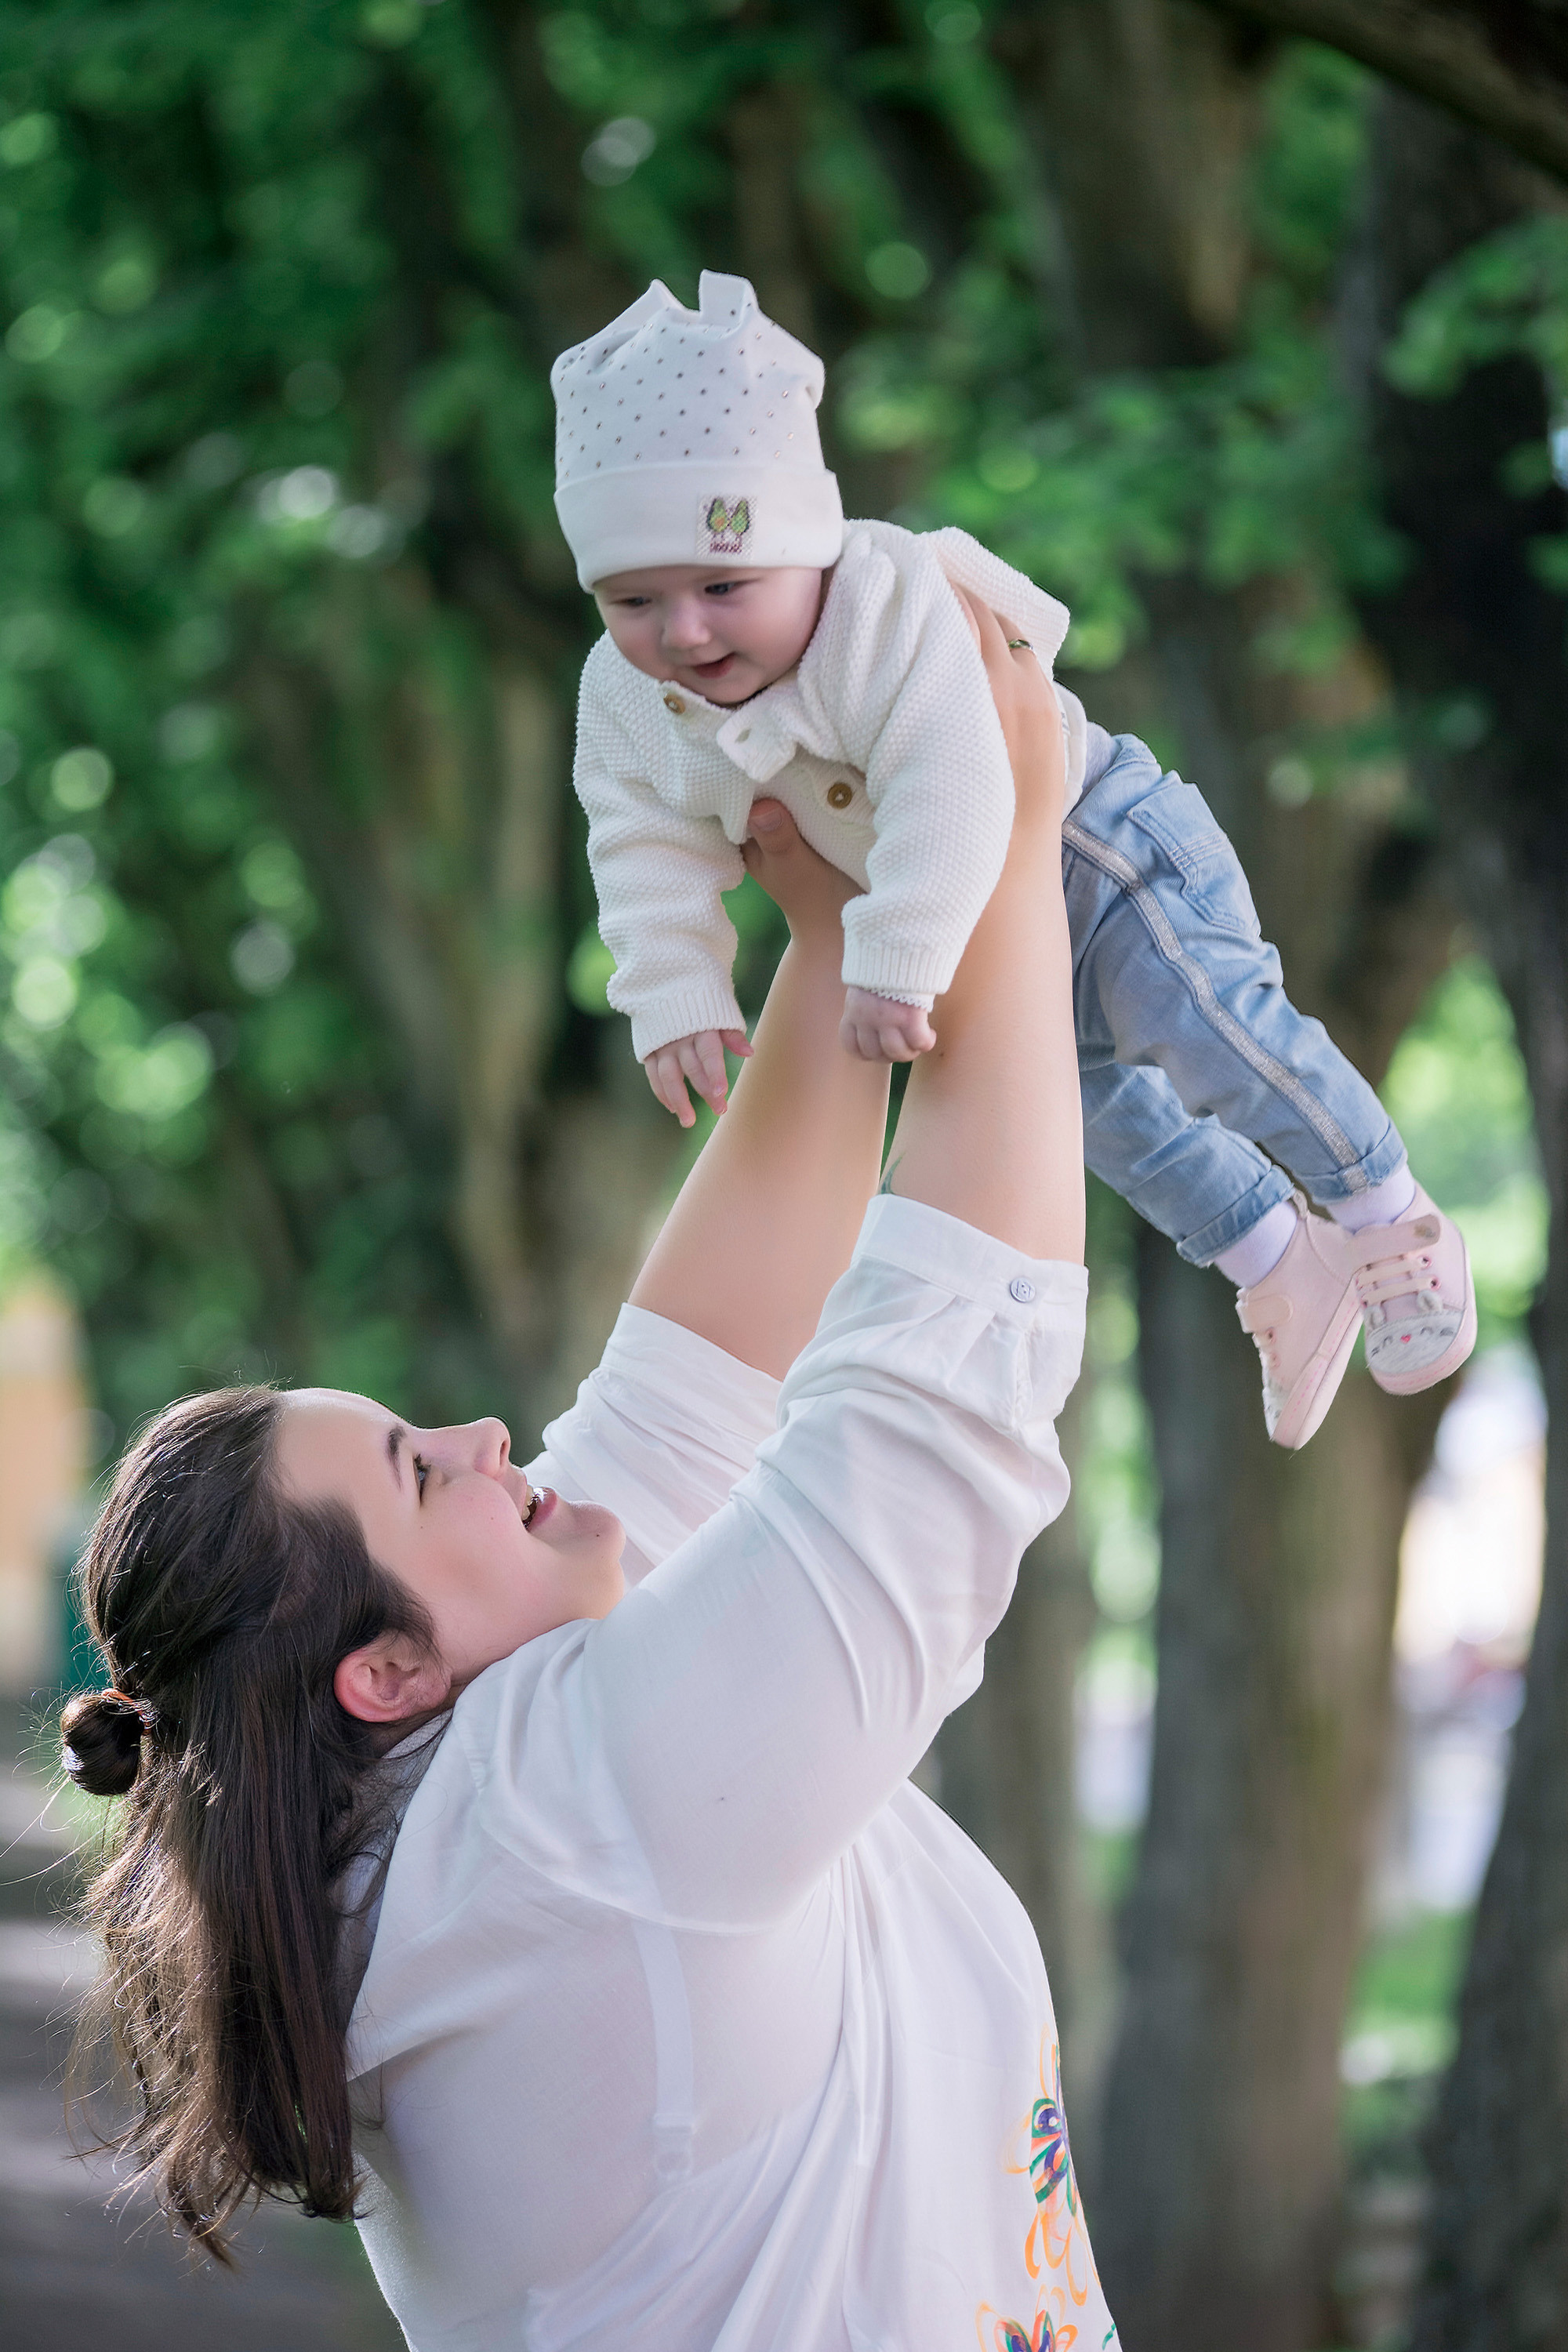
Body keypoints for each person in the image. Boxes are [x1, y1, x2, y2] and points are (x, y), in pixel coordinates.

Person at [60, 600, 1120, 2352]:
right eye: (421, 1471)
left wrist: (852, 934)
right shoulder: (553, 1833)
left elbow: (691, 1380)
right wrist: (983, 833)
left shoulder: (459, 1788)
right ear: (381, 1672)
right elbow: (942, 1393)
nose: (489, 1442)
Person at [554, 270, 1475, 1451]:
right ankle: (1277, 1255)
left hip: (1097, 848)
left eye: (724, 586)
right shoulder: (626, 698)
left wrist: (893, 959)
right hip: (974, 925)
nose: (682, 633)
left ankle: (1383, 1209)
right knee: (1092, 1114)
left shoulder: (881, 604)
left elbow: (956, 775)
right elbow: (636, 842)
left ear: (804, 546)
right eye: (634, 600)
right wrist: (674, 990)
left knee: (1207, 1024)